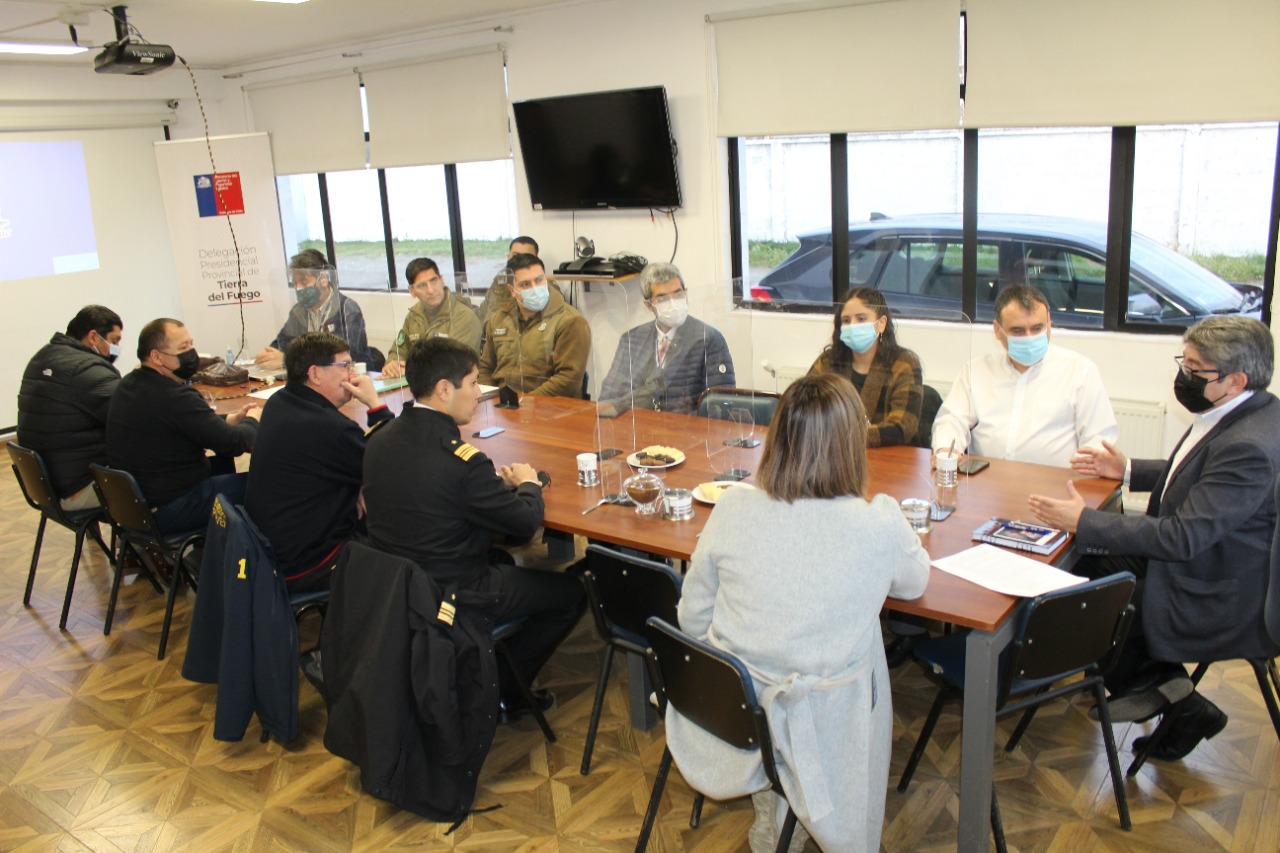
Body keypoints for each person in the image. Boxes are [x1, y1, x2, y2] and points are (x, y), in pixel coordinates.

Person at [667, 373, 930, 852]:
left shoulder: (732, 508)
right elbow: (916, 583)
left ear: (778, 437)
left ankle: (774, 809)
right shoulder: (878, 523)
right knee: (866, 633)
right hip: (825, 719)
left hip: (733, 711)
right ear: (854, 446)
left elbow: (691, 621)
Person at [1029, 316, 1280, 762]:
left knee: (1097, 598)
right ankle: (1169, 691)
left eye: (1194, 368)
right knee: (1083, 560)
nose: (1181, 375)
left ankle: (1160, 690)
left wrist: (1083, 519)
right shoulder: (1247, 410)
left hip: (1217, 590)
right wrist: (1127, 471)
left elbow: (1182, 537)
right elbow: (1198, 475)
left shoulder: (1250, 447)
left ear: (1235, 379)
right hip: (1211, 559)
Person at [362, 337, 585, 718]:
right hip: (456, 593)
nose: (479, 394)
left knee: (504, 558)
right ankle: (508, 689)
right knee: (572, 593)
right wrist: (529, 484)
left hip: (398, 588)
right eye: (473, 383)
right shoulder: (463, 461)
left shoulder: (380, 440)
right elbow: (526, 522)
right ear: (444, 389)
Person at [244, 331, 393, 592]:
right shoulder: (329, 428)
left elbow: (354, 465)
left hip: (271, 552)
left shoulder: (280, 401)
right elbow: (395, 467)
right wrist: (375, 405)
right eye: (345, 365)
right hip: (308, 562)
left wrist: (357, 486)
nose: (353, 374)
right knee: (405, 533)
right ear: (315, 374)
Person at [932, 284, 1118, 467]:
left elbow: (1098, 442)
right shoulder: (976, 371)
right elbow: (951, 420)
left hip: (1056, 488)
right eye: (1018, 330)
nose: (1029, 337)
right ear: (998, 330)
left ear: (1049, 324)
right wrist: (945, 450)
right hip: (988, 485)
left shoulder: (1080, 371)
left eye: (1037, 328)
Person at [106, 318, 261, 535]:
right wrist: (253, 419)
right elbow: (234, 444)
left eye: (190, 344)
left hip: (136, 507)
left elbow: (185, 423)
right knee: (267, 482)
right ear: (156, 357)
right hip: (171, 508)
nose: (191, 353)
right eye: (183, 348)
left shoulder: (128, 385)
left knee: (223, 465)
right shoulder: (175, 397)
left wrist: (228, 419)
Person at [17, 305, 124, 510]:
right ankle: (143, 541)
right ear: (93, 337)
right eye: (114, 340)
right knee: (161, 474)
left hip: (46, 484)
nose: (116, 347)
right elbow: (132, 415)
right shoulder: (87, 368)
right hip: (75, 487)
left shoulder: (42, 356)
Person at [596, 261, 736, 415]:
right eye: (662, 298)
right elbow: (609, 396)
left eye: (678, 294)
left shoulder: (708, 339)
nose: (673, 303)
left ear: (686, 293)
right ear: (649, 305)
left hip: (686, 431)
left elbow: (721, 404)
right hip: (638, 428)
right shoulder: (631, 340)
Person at [808, 287, 923, 446]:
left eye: (861, 319)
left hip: (889, 457)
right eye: (846, 321)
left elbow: (902, 428)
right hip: (834, 456)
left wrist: (843, 436)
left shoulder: (904, 364)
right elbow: (804, 406)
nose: (853, 326)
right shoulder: (828, 361)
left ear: (881, 323)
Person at [477, 252, 591, 397]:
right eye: (525, 284)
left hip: (550, 408)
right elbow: (486, 368)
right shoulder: (498, 319)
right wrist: (489, 400)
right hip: (502, 405)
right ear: (512, 290)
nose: (535, 288)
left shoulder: (570, 321)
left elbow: (567, 380)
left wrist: (526, 403)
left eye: (539, 280)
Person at [254, 248, 372, 372]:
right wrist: (267, 353)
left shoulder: (347, 309)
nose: (298, 288)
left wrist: (287, 360)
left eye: (304, 282)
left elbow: (343, 358)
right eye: (295, 284)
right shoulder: (298, 311)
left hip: (347, 377)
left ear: (323, 280)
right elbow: (283, 342)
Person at [381, 257, 481, 378]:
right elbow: (399, 351)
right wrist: (392, 364)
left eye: (434, 281)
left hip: (456, 389)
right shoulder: (413, 316)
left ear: (442, 280)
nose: (431, 290)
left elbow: (455, 365)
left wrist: (409, 370)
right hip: (421, 387)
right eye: (422, 285)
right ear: (412, 291)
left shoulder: (464, 316)